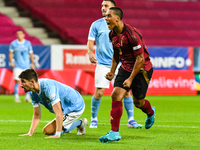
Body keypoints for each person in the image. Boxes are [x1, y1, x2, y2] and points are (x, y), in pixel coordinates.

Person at [99, 7, 156, 143]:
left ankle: (150, 112)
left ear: (118, 18)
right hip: (125, 67)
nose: (106, 18)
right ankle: (114, 133)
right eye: (105, 16)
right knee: (116, 95)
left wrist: (130, 79)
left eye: (109, 16)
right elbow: (116, 53)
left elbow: (140, 59)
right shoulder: (112, 34)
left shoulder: (132, 34)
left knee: (138, 102)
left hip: (141, 69)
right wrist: (112, 71)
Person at [87, 0, 142, 129]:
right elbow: (90, 41)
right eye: (102, 6)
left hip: (120, 63)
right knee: (99, 92)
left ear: (113, 8)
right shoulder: (96, 25)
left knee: (126, 91)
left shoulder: (120, 25)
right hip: (103, 64)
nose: (103, 8)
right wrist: (90, 52)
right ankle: (93, 119)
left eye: (106, 6)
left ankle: (131, 120)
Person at [18, 69, 88, 138]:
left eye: (23, 82)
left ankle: (80, 123)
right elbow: (37, 115)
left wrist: (57, 134)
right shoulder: (32, 93)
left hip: (75, 106)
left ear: (32, 82)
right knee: (46, 131)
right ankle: (65, 126)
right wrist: (30, 133)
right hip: (65, 108)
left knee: (51, 131)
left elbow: (59, 113)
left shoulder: (48, 88)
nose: (21, 85)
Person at [9, 29, 35, 103]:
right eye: (17, 34)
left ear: (23, 35)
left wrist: (33, 63)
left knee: (27, 81)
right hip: (17, 65)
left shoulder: (28, 43)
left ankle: (27, 97)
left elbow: (31, 53)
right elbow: (10, 53)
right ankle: (16, 97)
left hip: (26, 65)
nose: (19, 35)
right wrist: (11, 62)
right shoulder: (13, 43)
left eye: (20, 34)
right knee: (17, 81)